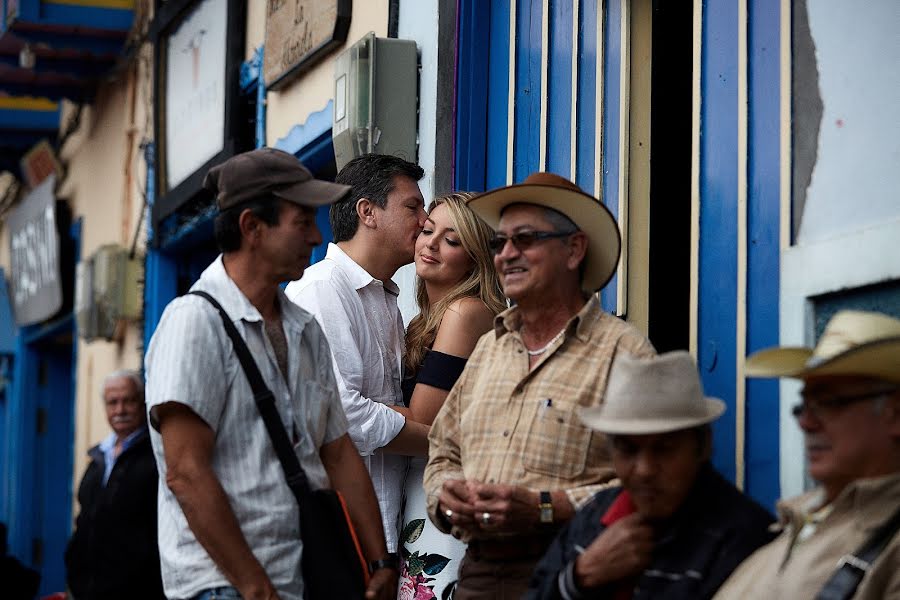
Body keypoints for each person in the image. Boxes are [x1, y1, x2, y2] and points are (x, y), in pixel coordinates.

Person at [145, 147, 397, 600]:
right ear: (252, 228)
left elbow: (338, 453)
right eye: (301, 221)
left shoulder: (303, 327)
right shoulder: (194, 322)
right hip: (224, 586)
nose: (315, 236)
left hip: (303, 575)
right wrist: (254, 586)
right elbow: (185, 471)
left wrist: (379, 561)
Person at [423, 172, 656, 599]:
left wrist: (546, 508)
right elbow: (442, 453)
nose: (506, 254)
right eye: (499, 243)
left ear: (574, 249)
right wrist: (447, 497)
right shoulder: (489, 350)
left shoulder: (624, 354)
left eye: (526, 239)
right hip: (476, 573)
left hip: (576, 573)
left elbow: (655, 483)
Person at [527, 351, 776, 599]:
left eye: (664, 449)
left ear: (703, 446)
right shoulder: (594, 515)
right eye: (628, 449)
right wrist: (580, 576)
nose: (645, 470)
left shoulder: (742, 538)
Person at [286, 153, 431, 555]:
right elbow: (344, 414)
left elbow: (378, 407)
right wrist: (442, 437)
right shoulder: (321, 290)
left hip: (384, 533)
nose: (423, 221)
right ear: (368, 212)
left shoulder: (385, 298)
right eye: (412, 206)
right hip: (340, 536)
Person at [714, 310, 900, 600]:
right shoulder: (795, 522)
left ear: (895, 415)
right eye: (805, 405)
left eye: (830, 402)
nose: (805, 422)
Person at [397, 193, 506, 599]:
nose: (430, 243)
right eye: (428, 231)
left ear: (476, 258)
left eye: (452, 240)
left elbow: (422, 419)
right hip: (423, 488)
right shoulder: (423, 322)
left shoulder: (466, 312)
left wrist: (346, 406)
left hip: (452, 491)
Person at [64, 370, 163, 600]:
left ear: (142, 402)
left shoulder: (156, 454)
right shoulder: (98, 457)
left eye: (128, 401)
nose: (120, 410)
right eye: (113, 402)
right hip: (88, 591)